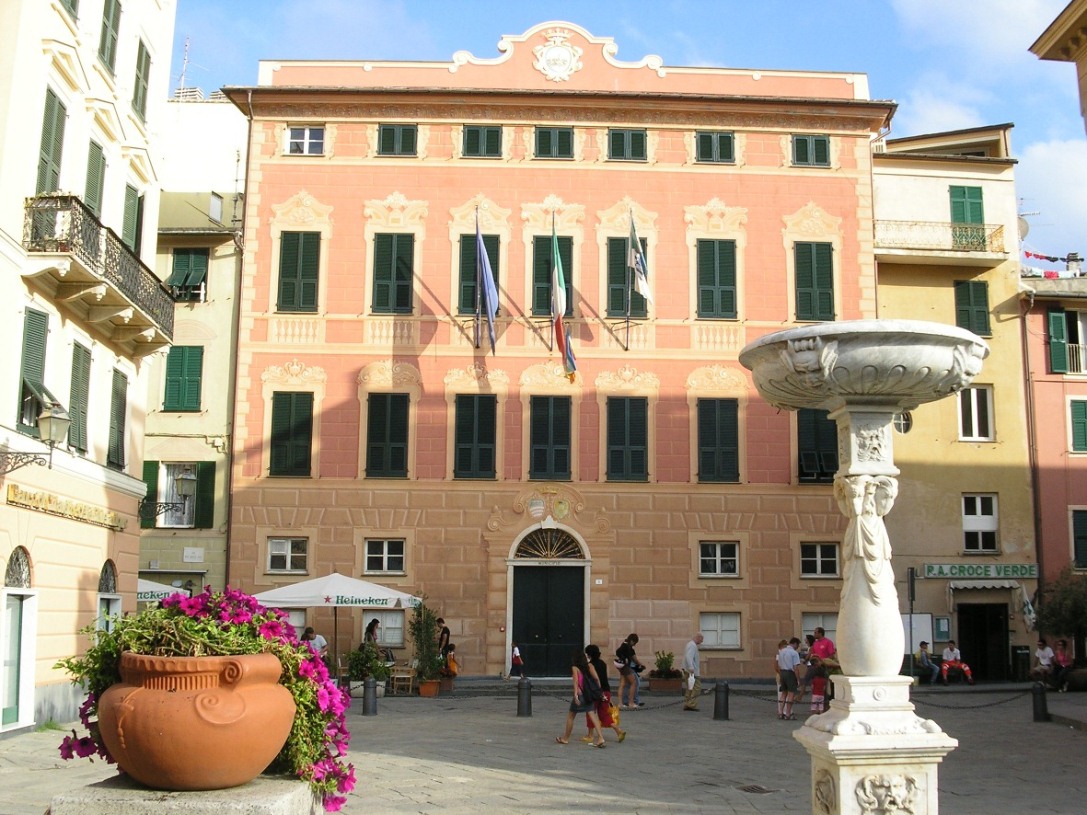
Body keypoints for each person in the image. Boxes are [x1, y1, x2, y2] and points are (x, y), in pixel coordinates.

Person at [556, 648, 605, 748]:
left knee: (571, 716)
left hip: (581, 694)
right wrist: (600, 692)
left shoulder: (575, 668)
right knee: (593, 716)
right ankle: (600, 737)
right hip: (589, 695)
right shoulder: (589, 666)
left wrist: (575, 695)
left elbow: (576, 682)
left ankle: (565, 738)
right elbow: (595, 679)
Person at [581, 644, 626, 743]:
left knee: (590, 713)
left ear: (589, 655)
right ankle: (618, 730)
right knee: (604, 715)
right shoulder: (603, 663)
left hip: (596, 692)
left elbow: (594, 679)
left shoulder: (590, 665)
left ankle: (590, 735)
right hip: (606, 691)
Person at [615, 634, 645, 709]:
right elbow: (634, 659)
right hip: (626, 667)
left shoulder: (623, 645)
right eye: (634, 643)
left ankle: (620, 703)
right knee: (633, 683)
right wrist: (626, 659)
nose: (634, 645)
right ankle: (631, 702)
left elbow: (617, 652)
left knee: (622, 684)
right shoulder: (628, 647)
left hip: (621, 666)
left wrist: (622, 658)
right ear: (632, 641)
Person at [777, 637, 803, 720]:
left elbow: (779, 664)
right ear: (795, 643)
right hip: (790, 673)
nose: (798, 647)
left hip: (782, 672)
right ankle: (788, 713)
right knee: (791, 693)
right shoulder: (794, 653)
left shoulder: (782, 651)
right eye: (798, 645)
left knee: (784, 693)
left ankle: (780, 712)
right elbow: (795, 668)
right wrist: (798, 680)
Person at [681, 633, 704, 711]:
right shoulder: (693, 646)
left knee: (690, 688)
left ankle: (688, 703)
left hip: (687, 670)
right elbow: (689, 656)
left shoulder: (690, 644)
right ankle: (691, 704)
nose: (702, 641)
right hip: (691, 671)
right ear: (698, 638)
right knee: (697, 687)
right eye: (701, 639)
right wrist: (691, 667)